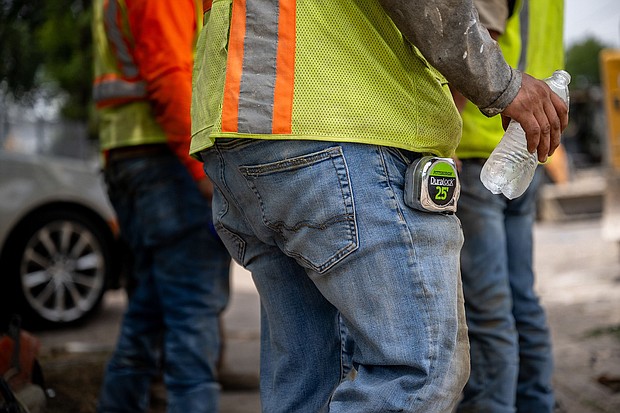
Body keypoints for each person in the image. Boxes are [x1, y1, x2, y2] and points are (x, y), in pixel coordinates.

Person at [190, 0, 568, 411]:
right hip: (338, 125)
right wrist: (505, 86)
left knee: (309, 383)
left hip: (243, 130)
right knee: (419, 370)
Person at [91, 1, 231, 412]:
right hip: (167, 162)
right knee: (192, 313)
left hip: (129, 156)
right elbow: (169, 77)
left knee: (148, 311)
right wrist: (202, 172)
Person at [454, 0, 564, 411]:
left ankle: (493, 406)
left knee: (488, 311)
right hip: (529, 147)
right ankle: (538, 403)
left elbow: (477, 38)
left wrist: (442, 140)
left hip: (482, 146)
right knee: (521, 298)